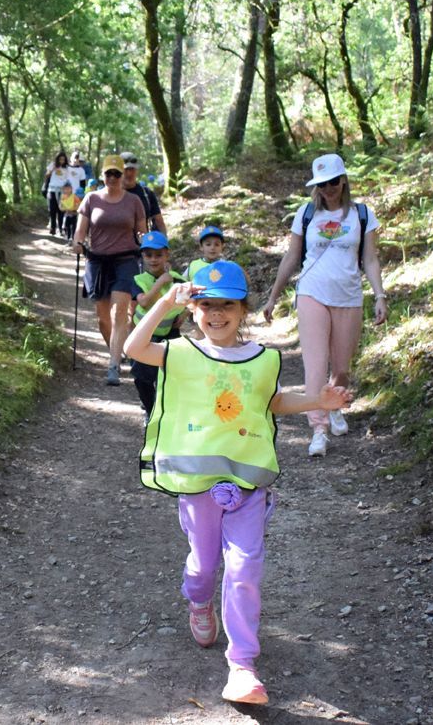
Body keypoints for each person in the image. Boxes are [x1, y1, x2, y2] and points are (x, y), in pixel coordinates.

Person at [124, 261, 351, 706]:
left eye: (226, 304)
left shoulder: (265, 358)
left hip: (249, 483)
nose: (216, 314)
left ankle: (243, 665)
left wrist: (315, 401)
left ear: (242, 308)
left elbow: (273, 401)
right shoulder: (179, 351)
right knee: (203, 566)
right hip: (196, 485)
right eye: (206, 305)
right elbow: (134, 346)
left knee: (245, 567)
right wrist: (166, 302)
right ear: (194, 310)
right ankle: (198, 601)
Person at [261, 153, 386, 457]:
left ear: (344, 181)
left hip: (349, 296)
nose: (328, 189)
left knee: (341, 368)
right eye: (321, 184)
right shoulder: (306, 214)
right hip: (311, 293)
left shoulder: (363, 215)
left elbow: (369, 258)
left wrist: (380, 295)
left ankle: (334, 405)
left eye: (333, 182)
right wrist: (273, 296)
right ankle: (318, 429)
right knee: (315, 366)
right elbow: (292, 257)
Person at [72, 154, 147, 385]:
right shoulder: (91, 199)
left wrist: (150, 246)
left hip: (125, 261)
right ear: (102, 175)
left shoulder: (134, 201)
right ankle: (118, 350)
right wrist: (77, 243)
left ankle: (113, 366)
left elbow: (142, 231)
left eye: (117, 173)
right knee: (103, 317)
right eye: (109, 173)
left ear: (123, 175)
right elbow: (81, 230)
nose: (113, 177)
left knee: (118, 314)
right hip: (97, 261)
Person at [130, 230, 186, 416]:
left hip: (170, 335)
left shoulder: (177, 279)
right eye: (148, 255)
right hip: (144, 337)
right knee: (142, 378)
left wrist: (184, 314)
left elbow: (194, 299)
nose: (153, 259)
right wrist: (161, 282)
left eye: (158, 255)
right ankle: (150, 410)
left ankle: (166, 412)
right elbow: (144, 302)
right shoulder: (138, 280)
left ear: (167, 255)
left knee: (169, 376)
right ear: (142, 256)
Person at [120, 151, 166, 234]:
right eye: (126, 170)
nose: (129, 173)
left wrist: (164, 243)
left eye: (132, 169)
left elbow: (158, 221)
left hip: (143, 244)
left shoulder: (147, 194)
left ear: (137, 170)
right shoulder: (111, 195)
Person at [42, 151, 73, 235]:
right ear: (57, 159)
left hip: (62, 191)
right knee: (52, 209)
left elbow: (69, 179)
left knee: (61, 210)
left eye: (63, 159)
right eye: (60, 159)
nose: (61, 161)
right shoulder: (52, 165)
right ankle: (52, 227)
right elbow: (47, 175)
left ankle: (60, 228)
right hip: (52, 190)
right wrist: (52, 170)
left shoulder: (67, 168)